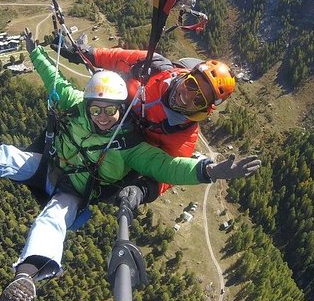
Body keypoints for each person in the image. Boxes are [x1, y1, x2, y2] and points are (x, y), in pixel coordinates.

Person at [0, 38, 261, 301]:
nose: (103, 116)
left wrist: (206, 172)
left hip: (77, 188)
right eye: (97, 109)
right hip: (54, 163)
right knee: (2, 158)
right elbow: (59, 81)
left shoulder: (134, 145)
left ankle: (25, 278)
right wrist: (40, 52)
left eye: (111, 111)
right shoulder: (92, 99)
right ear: (187, 75)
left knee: (54, 217)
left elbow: (169, 169)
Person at [54, 36, 238, 197]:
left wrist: (142, 191)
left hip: (124, 152)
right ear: (187, 75)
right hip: (107, 111)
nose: (187, 97)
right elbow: (117, 58)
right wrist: (83, 53)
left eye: (198, 100)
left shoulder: (183, 135)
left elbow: (168, 171)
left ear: (205, 109)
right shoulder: (154, 66)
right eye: (191, 85)